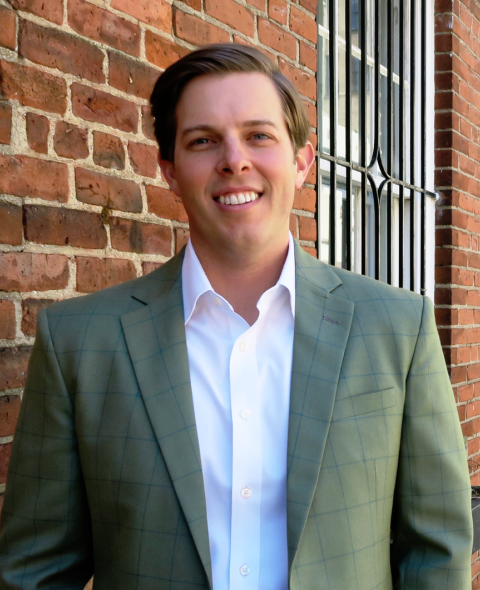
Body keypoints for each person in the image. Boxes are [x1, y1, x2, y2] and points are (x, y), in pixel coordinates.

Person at [0, 43, 473, 590]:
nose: (234, 160)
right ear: (170, 171)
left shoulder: (397, 328)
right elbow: (36, 572)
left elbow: (436, 551)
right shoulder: (80, 343)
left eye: (259, 135)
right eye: (203, 140)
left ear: (302, 161)